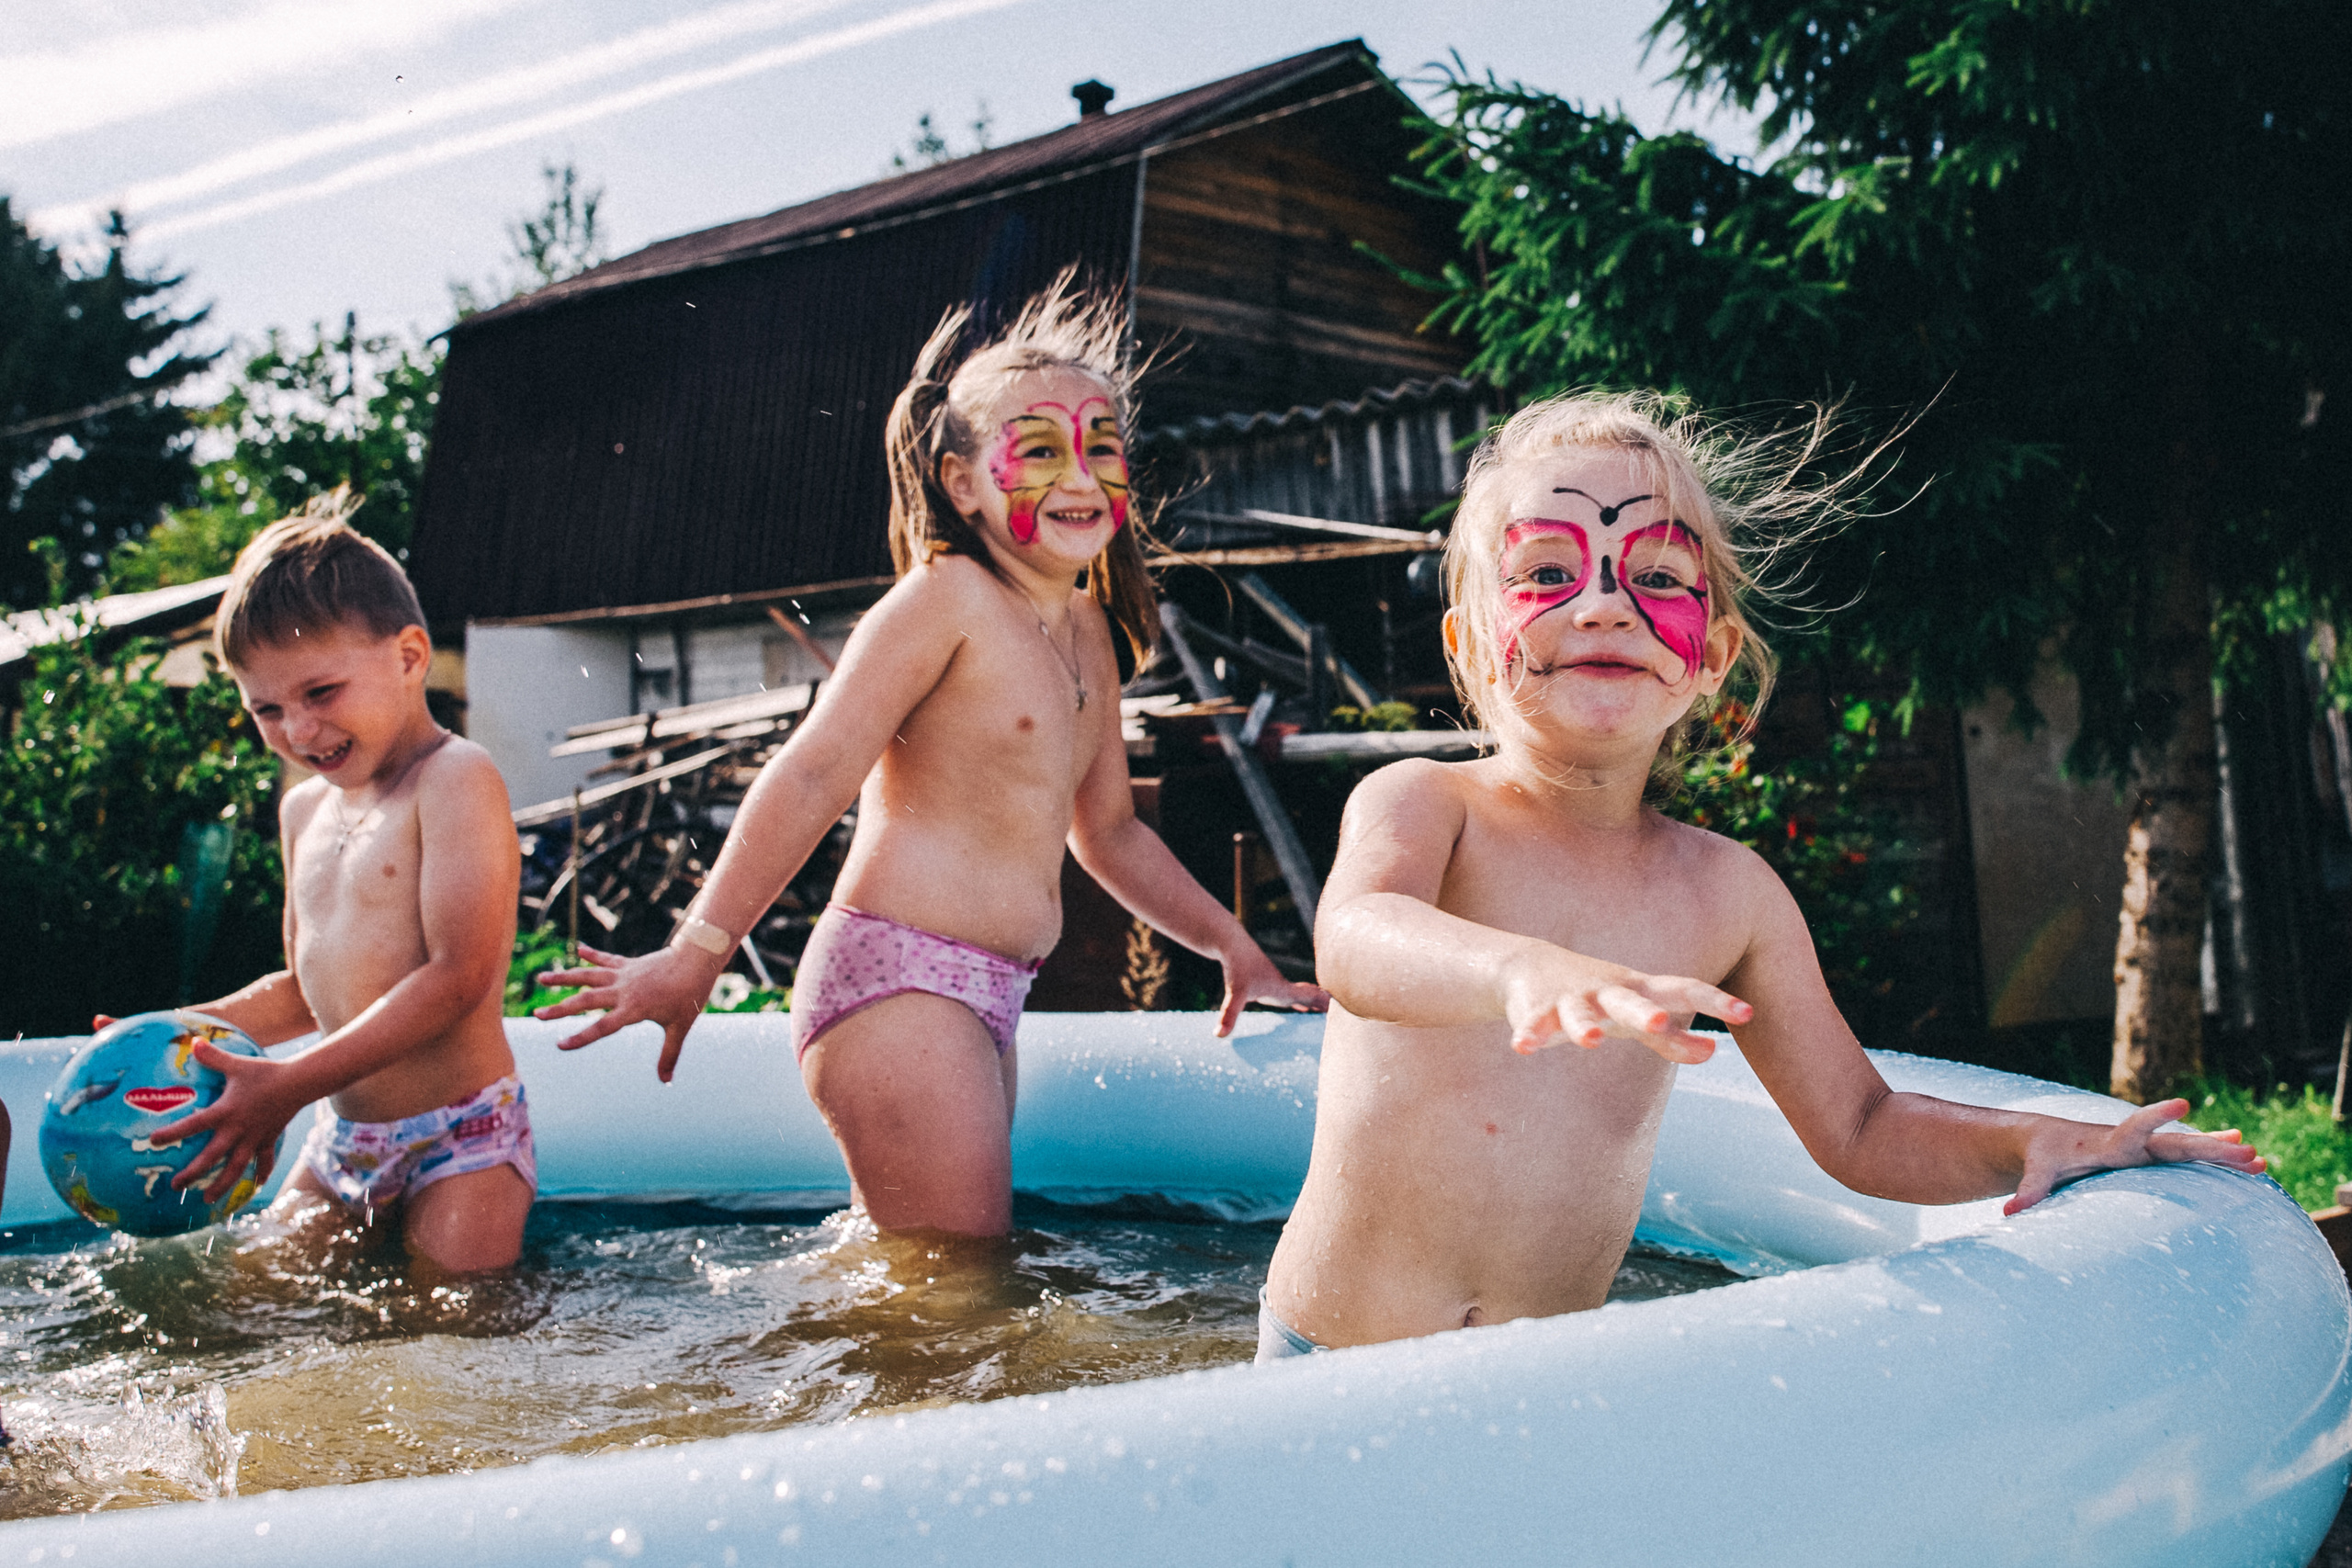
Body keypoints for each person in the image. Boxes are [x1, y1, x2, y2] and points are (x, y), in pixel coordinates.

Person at [1257, 390, 2264, 1359]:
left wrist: (2030, 1141)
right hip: (1327, 1364)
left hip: (1539, 1390)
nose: (1603, 605)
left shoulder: (1726, 893)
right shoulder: (1425, 804)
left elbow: (1861, 1125)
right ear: (1473, 644)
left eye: (1657, 578)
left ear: (1712, 655)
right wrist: (1520, 971)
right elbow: (1353, 940)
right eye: (1546, 570)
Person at [539, 279, 1325, 1237]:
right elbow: (813, 773)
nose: (1080, 477)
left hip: (990, 992)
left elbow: (1111, 832)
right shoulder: (944, 601)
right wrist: (697, 953)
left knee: (931, 1272)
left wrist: (1233, 948)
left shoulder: (1087, 630)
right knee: (959, 1276)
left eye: (1100, 448)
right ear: (962, 484)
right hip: (899, 975)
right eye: (1040, 451)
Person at [142, 494, 533, 1276]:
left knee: (451, 1319)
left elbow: (456, 978)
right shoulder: (303, 811)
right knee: (248, 1300)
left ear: (410, 657)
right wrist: (174, 1031)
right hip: (342, 1140)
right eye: (266, 708)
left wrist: (288, 1084)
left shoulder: (453, 778)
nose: (298, 730)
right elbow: (305, 991)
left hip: (462, 1137)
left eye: (321, 692)